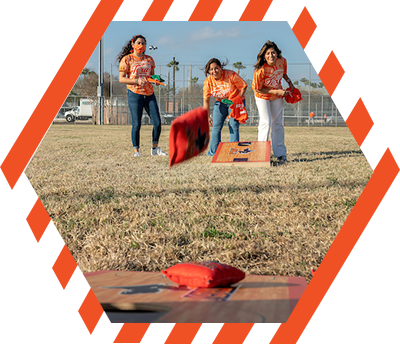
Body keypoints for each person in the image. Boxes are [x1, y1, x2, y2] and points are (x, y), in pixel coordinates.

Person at [117, 34, 167, 157]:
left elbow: (150, 76)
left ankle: (155, 149)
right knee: (137, 124)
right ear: (133, 44)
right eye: (138, 43)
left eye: (143, 43)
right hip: (134, 93)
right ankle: (136, 151)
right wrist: (136, 81)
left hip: (149, 93)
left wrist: (156, 80)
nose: (141, 45)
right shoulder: (127, 59)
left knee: (157, 122)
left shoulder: (149, 59)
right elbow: (122, 79)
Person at [252, 41, 294, 162]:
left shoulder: (282, 61)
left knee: (278, 123)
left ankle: (281, 154)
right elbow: (258, 88)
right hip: (262, 95)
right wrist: (277, 92)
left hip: (276, 94)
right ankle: (262, 154)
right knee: (266, 121)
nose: (271, 55)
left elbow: (283, 73)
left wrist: (290, 83)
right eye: (268, 53)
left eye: (273, 53)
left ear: (277, 53)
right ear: (264, 56)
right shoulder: (260, 69)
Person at [203, 58, 247, 156]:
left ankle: (234, 152)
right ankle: (213, 153)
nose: (214, 71)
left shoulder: (231, 75)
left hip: (234, 101)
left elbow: (243, 86)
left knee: (233, 125)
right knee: (216, 127)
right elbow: (206, 100)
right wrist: (207, 116)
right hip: (220, 103)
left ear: (221, 68)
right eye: (211, 69)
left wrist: (237, 100)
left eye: (216, 68)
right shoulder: (208, 82)